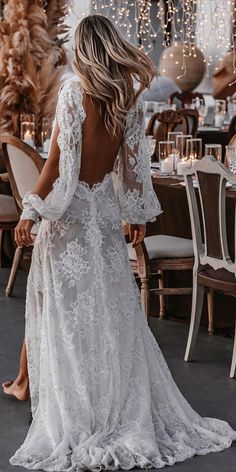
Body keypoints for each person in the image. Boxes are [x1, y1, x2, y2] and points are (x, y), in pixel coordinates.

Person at [9, 15, 236, 472]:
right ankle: (33, 383)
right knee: (110, 314)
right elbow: (131, 172)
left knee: (63, 313)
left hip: (71, 219)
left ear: (84, 50)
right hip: (104, 218)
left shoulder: (75, 92)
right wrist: (135, 219)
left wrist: (31, 209)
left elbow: (56, 166)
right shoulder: (127, 101)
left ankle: (63, 401)